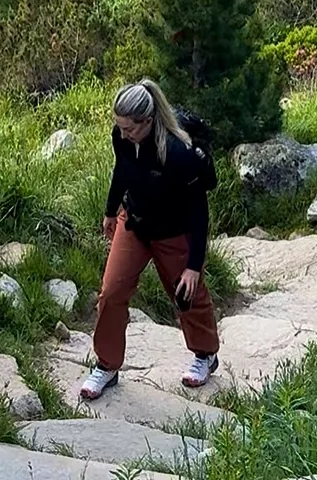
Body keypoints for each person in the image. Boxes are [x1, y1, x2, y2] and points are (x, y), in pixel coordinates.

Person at [81, 77, 220, 399]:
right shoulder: (123, 136)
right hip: (134, 222)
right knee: (111, 292)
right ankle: (107, 365)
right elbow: (123, 169)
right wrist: (109, 209)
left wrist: (194, 266)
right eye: (120, 128)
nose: (123, 134)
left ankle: (205, 354)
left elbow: (199, 209)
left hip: (174, 230)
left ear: (148, 121)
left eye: (130, 128)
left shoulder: (179, 152)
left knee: (186, 293)